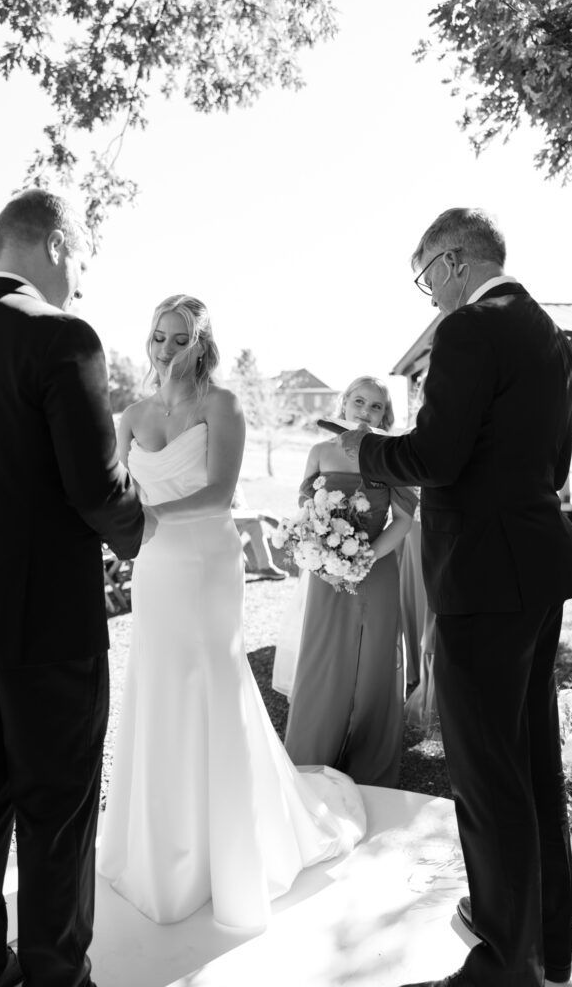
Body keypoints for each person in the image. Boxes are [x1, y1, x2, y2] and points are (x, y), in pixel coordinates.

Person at [0, 188, 145, 987]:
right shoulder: (63, 335)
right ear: (55, 244)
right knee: (58, 802)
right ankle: (54, 977)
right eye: (78, 260)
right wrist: (142, 527)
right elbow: (94, 485)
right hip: (44, 621)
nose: (78, 279)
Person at [339, 208, 572, 987]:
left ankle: (506, 963)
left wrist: (361, 448)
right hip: (539, 568)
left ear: (450, 261)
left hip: (480, 574)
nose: (426, 294)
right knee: (533, 761)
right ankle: (545, 936)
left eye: (423, 275)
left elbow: (434, 456)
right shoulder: (545, 334)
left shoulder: (470, 330)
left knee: (486, 771)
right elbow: (553, 461)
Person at [97, 294, 366, 930]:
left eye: (180, 336)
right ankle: (164, 848)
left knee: (215, 682)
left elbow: (219, 491)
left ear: (202, 341)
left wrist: (155, 516)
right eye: (158, 336)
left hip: (209, 563)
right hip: (156, 569)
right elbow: (115, 487)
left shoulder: (223, 404)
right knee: (160, 685)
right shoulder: (130, 413)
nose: (166, 348)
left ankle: (235, 849)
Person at [281, 377, 415, 787]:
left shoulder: (391, 455)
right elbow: (305, 509)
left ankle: (370, 767)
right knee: (324, 658)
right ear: (344, 404)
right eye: (359, 401)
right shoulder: (321, 451)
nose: (366, 411)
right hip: (326, 572)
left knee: (374, 664)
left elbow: (405, 519)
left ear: (384, 416)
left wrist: (365, 558)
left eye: (376, 407)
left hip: (376, 570)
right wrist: (323, 554)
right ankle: (311, 759)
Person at [231, 482, 287, 579]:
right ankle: (240, 559)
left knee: (254, 525)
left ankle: (265, 567)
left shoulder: (236, 483)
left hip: (234, 522)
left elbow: (242, 508)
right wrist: (263, 516)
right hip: (219, 523)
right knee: (255, 522)